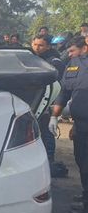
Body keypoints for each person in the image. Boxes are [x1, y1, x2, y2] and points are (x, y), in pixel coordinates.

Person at [48, 36, 88, 213]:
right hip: (81, 126)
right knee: (83, 166)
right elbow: (65, 92)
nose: (68, 54)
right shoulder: (73, 65)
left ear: (84, 47)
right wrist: (55, 117)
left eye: (72, 51)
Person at [32, 34, 66, 177]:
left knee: (46, 134)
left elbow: (58, 86)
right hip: (33, 102)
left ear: (48, 46)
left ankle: (49, 163)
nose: (37, 48)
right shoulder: (31, 59)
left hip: (47, 103)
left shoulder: (54, 61)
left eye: (40, 45)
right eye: (35, 44)